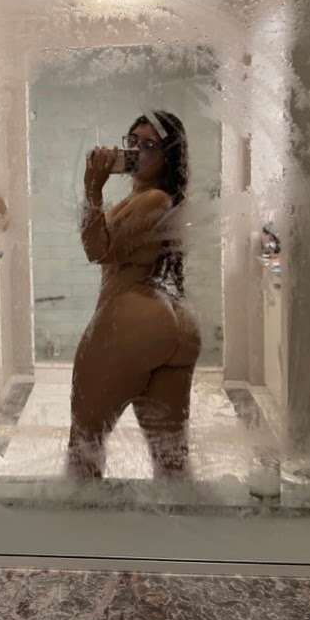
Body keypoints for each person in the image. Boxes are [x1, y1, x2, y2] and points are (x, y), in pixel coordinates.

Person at [67, 110, 202, 480]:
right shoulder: (152, 199)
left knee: (85, 444)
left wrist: (92, 188)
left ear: (168, 156)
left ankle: (76, 516)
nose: (138, 151)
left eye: (150, 145)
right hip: (173, 324)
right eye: (133, 142)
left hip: (131, 317)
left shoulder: (153, 199)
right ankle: (180, 517)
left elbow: (97, 250)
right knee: (171, 458)